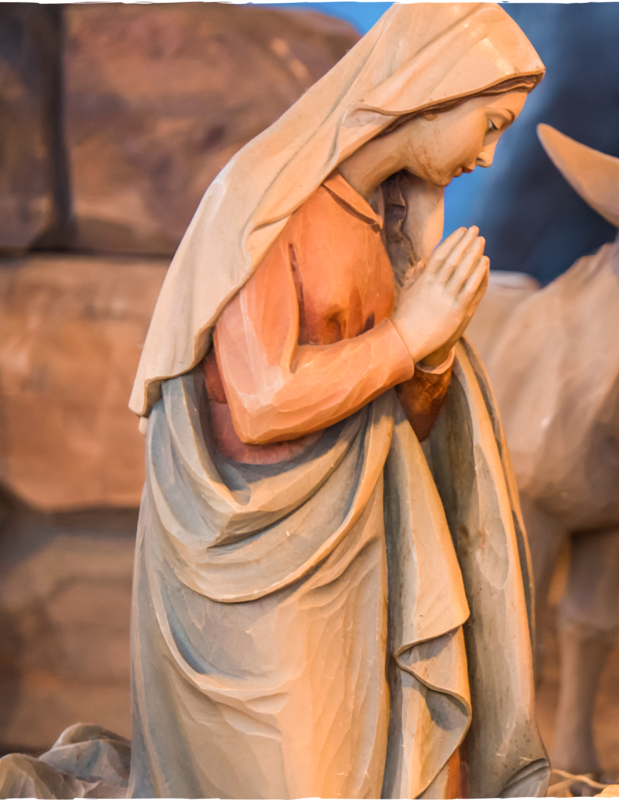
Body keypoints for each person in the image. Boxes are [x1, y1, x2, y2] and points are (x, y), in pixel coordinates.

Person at [108, 3, 547, 798]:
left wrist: (430, 336)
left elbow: (396, 424)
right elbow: (263, 402)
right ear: (431, 91)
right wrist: (407, 337)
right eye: (488, 125)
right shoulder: (268, 204)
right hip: (258, 575)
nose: (488, 155)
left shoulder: (383, 218)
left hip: (358, 551)